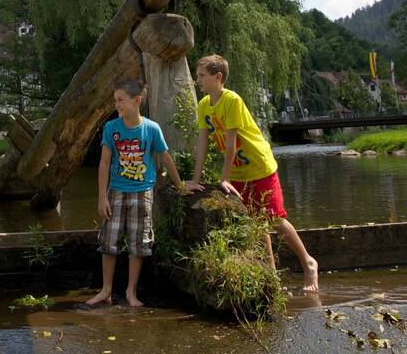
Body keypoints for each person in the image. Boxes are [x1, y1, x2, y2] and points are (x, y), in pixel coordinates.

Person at [186, 54, 319, 292]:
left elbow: (230, 145)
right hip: (238, 172)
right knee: (253, 224)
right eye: (197, 76)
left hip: (259, 166)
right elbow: (203, 144)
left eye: (202, 76)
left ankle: (308, 262)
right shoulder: (204, 105)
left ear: (218, 77)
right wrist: (196, 180)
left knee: (274, 219)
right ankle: (271, 275)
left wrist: (223, 178)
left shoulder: (232, 100)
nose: (198, 81)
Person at [86, 78, 190, 307]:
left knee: (138, 243)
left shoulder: (151, 129)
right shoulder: (111, 128)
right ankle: (106, 290)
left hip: (142, 193)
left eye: (120, 100)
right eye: (115, 101)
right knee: (109, 242)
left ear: (136, 101)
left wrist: (180, 184)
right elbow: (104, 163)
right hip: (115, 191)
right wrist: (102, 197)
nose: (117, 105)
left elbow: (165, 157)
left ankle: (131, 292)